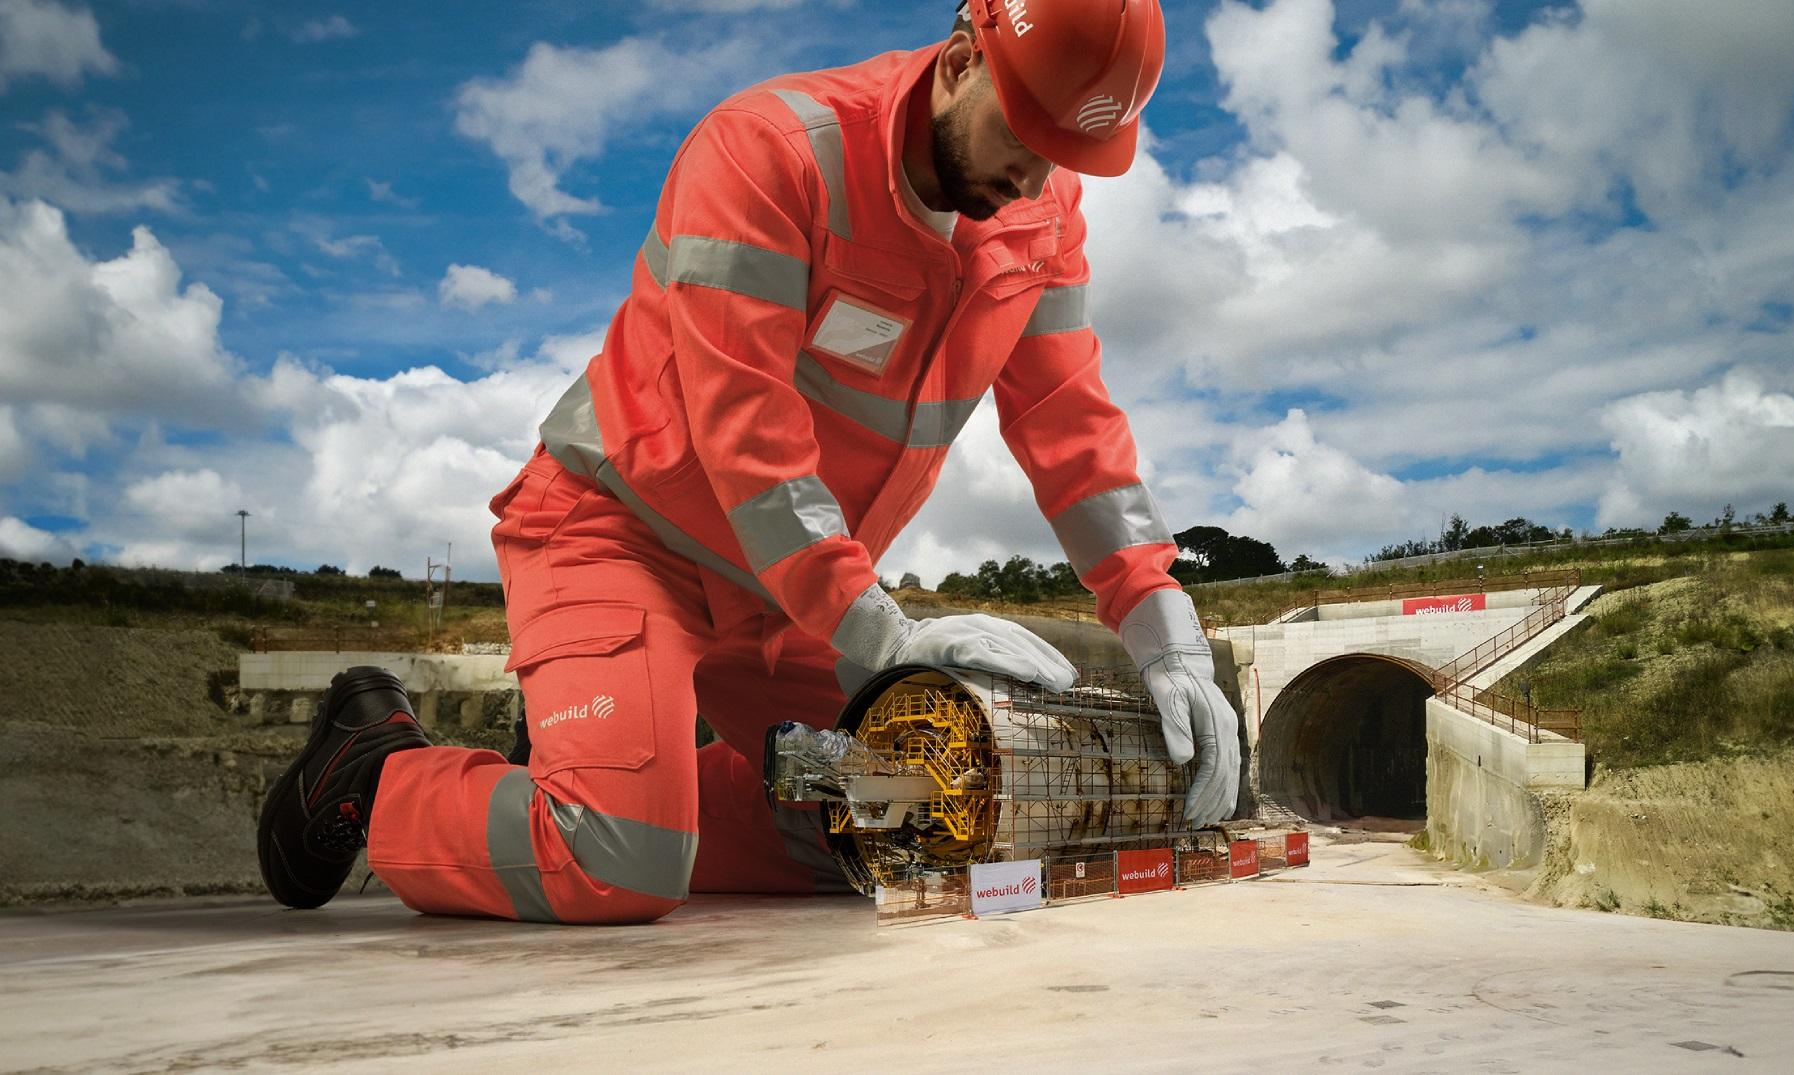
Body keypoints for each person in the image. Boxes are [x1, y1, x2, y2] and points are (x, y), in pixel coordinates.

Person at [257, 0, 1241, 924]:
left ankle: (627, 780)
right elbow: (751, 442)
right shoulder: (771, 152)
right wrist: (888, 640)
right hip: (619, 533)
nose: (1034, 182)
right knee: (617, 858)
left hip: (791, 599)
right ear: (957, 62)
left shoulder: (1041, 218)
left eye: (1065, 155)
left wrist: (1164, 625)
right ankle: (385, 770)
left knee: (911, 810)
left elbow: (1072, 427)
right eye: (1023, 141)